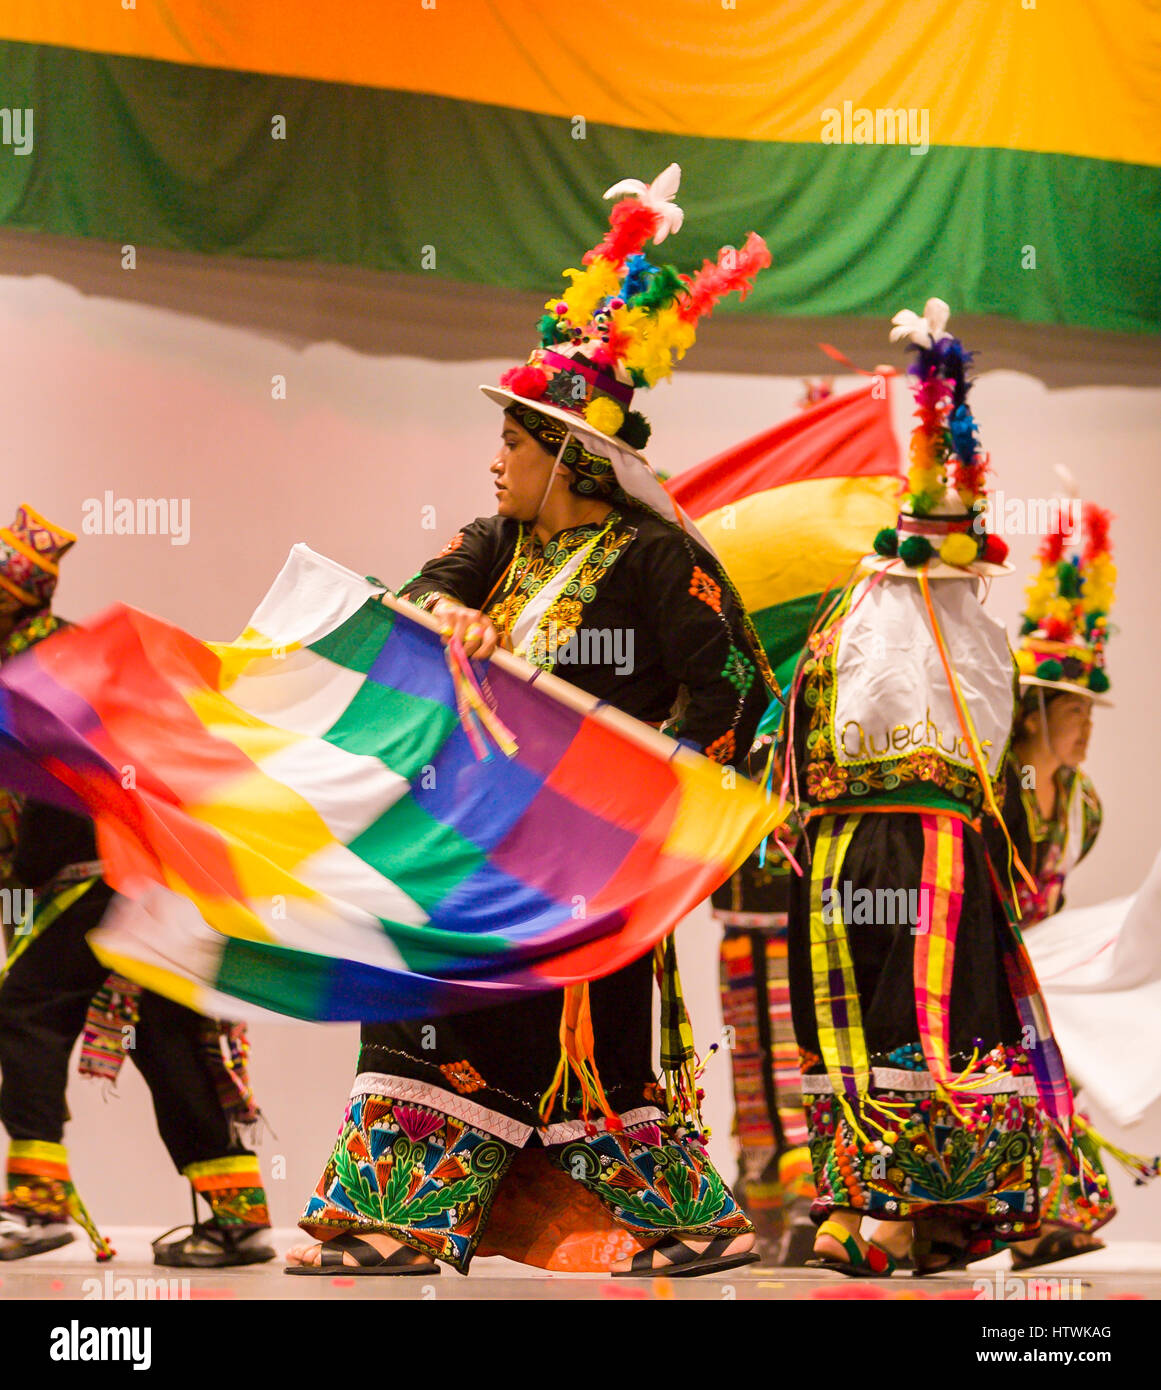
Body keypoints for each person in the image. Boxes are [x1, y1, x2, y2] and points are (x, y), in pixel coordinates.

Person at [286, 166, 779, 1278]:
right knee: (421, 1006)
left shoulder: (661, 561)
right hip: (471, 841)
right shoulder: (496, 547)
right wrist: (449, 608)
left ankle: (682, 1218)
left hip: (584, 859)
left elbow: (730, 694)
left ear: (566, 455)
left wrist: (650, 797)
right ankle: (397, 1213)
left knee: (587, 1053)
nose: (494, 460)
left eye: (511, 443)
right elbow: (409, 603)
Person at [783, 300, 1084, 1276]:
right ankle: (870, 1206)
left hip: (896, 850)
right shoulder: (904, 618)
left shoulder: (878, 615)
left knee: (898, 1017)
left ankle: (890, 1211)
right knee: (887, 1017)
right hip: (893, 848)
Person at [0, 504, 275, 1267]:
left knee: (30, 1003)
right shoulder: (42, 660)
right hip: (142, 876)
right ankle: (238, 1218)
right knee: (165, 1034)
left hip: (114, 871)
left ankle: (33, 1202)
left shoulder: (56, 661)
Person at [993, 503, 1120, 1269]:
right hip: (990, 965)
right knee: (1006, 1091)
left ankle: (1047, 1218)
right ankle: (997, 1219)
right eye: (1074, 712)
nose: (1086, 730)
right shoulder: (1003, 784)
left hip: (1038, 973)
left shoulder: (1079, 801)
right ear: (1035, 714)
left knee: (1048, 1085)